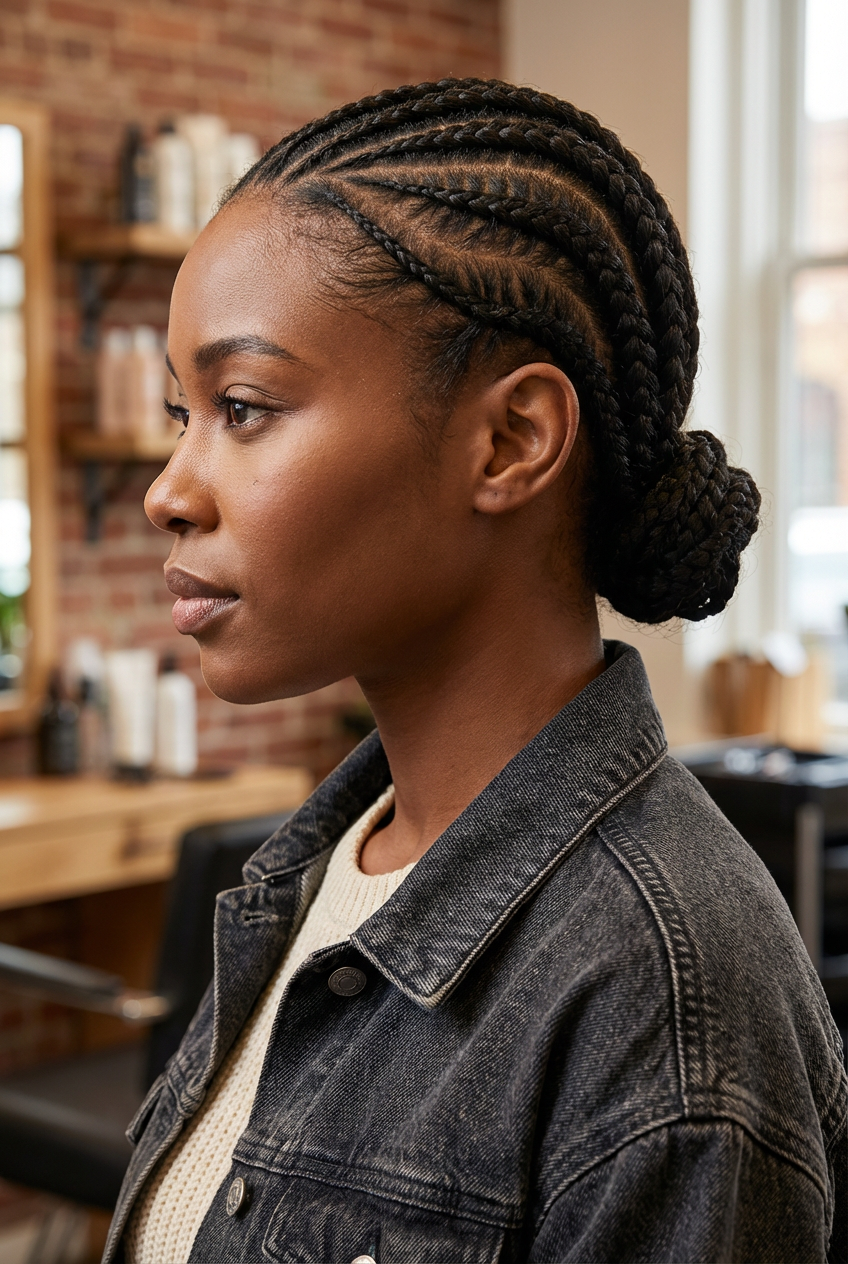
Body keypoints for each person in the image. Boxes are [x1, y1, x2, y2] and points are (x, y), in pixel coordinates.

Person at [106, 79, 846, 1264]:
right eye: (178, 411)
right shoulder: (320, 876)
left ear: (508, 441)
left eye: (241, 407)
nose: (169, 489)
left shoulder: (658, 1004)